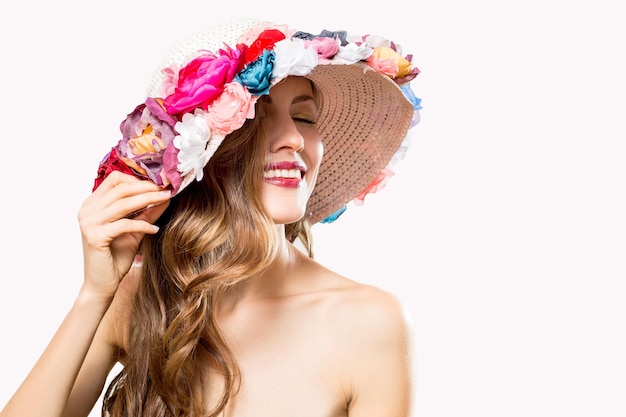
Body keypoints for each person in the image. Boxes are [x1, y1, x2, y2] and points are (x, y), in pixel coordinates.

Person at [0, 18, 422, 417]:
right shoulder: (139, 300)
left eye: (304, 117)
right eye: (257, 117)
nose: (294, 137)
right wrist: (94, 295)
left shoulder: (368, 322)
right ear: (198, 151)